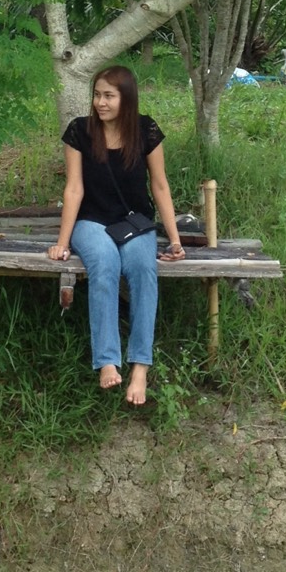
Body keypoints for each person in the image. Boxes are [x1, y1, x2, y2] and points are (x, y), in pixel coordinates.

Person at [47, 65, 185, 405]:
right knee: (105, 264)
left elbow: (160, 186)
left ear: (127, 98)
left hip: (134, 222)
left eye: (109, 96)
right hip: (91, 221)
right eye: (97, 95)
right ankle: (107, 359)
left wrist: (175, 239)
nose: (100, 103)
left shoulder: (145, 131)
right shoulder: (80, 131)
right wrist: (62, 243)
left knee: (143, 268)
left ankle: (140, 366)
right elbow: (74, 189)